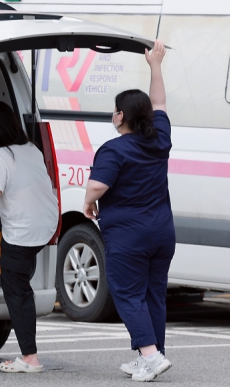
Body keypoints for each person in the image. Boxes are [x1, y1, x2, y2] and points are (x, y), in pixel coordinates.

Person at [83, 40, 174, 382]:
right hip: (163, 233)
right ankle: (152, 357)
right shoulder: (159, 138)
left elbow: (97, 187)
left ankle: (150, 355)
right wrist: (156, 65)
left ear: (120, 116)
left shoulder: (114, 149)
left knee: (126, 292)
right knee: (153, 295)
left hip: (128, 235)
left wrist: (87, 201)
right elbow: (161, 102)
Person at [0, 102, 58, 373]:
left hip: (23, 230)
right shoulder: (31, 148)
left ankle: (30, 358)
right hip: (47, 223)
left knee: (16, 289)